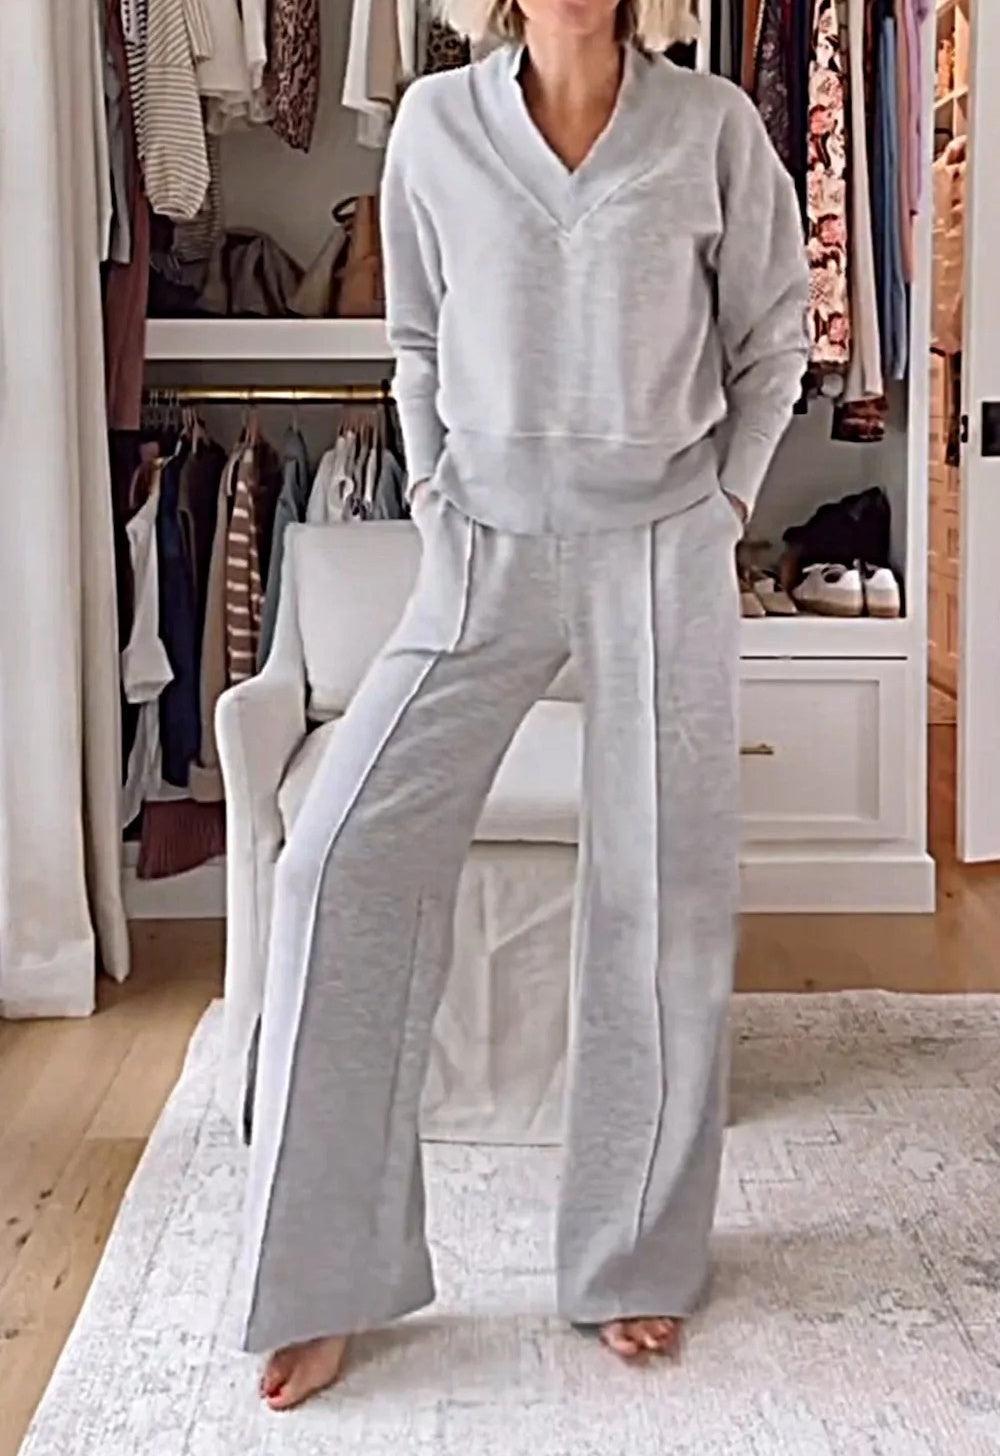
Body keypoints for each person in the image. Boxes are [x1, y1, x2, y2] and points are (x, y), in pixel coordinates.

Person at [238, 0, 809, 1411]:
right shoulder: (436, 123)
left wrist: (724, 508)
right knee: (335, 861)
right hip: (483, 546)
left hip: (661, 544)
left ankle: (632, 1258)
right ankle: (321, 1277)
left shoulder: (713, 127)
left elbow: (774, 340)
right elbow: (416, 340)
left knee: (662, 902)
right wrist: (438, 495)